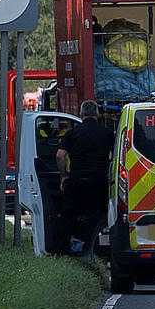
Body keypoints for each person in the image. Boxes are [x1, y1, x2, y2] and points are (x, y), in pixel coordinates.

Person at [56, 100, 114, 254]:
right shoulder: (107, 133)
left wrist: (63, 176)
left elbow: (60, 155)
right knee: (100, 216)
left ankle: (67, 249)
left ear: (81, 115)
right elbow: (116, 156)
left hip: (77, 181)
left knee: (70, 215)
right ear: (98, 114)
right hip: (100, 182)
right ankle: (97, 248)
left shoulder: (73, 133)